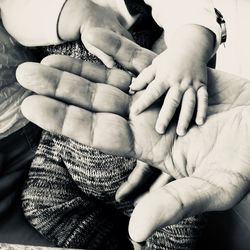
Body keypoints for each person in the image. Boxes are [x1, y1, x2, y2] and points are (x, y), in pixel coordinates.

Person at [17, 29, 250, 247]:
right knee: (41, 204)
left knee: (171, 211)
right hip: (67, 129)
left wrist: (190, 46)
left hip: (144, 98)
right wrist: (64, 16)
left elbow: (187, 13)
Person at [1, 0, 224, 136]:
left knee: (156, 178)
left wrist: (187, 53)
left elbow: (186, 9)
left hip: (133, 84)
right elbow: (13, 11)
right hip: (61, 127)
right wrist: (79, 12)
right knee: (40, 204)